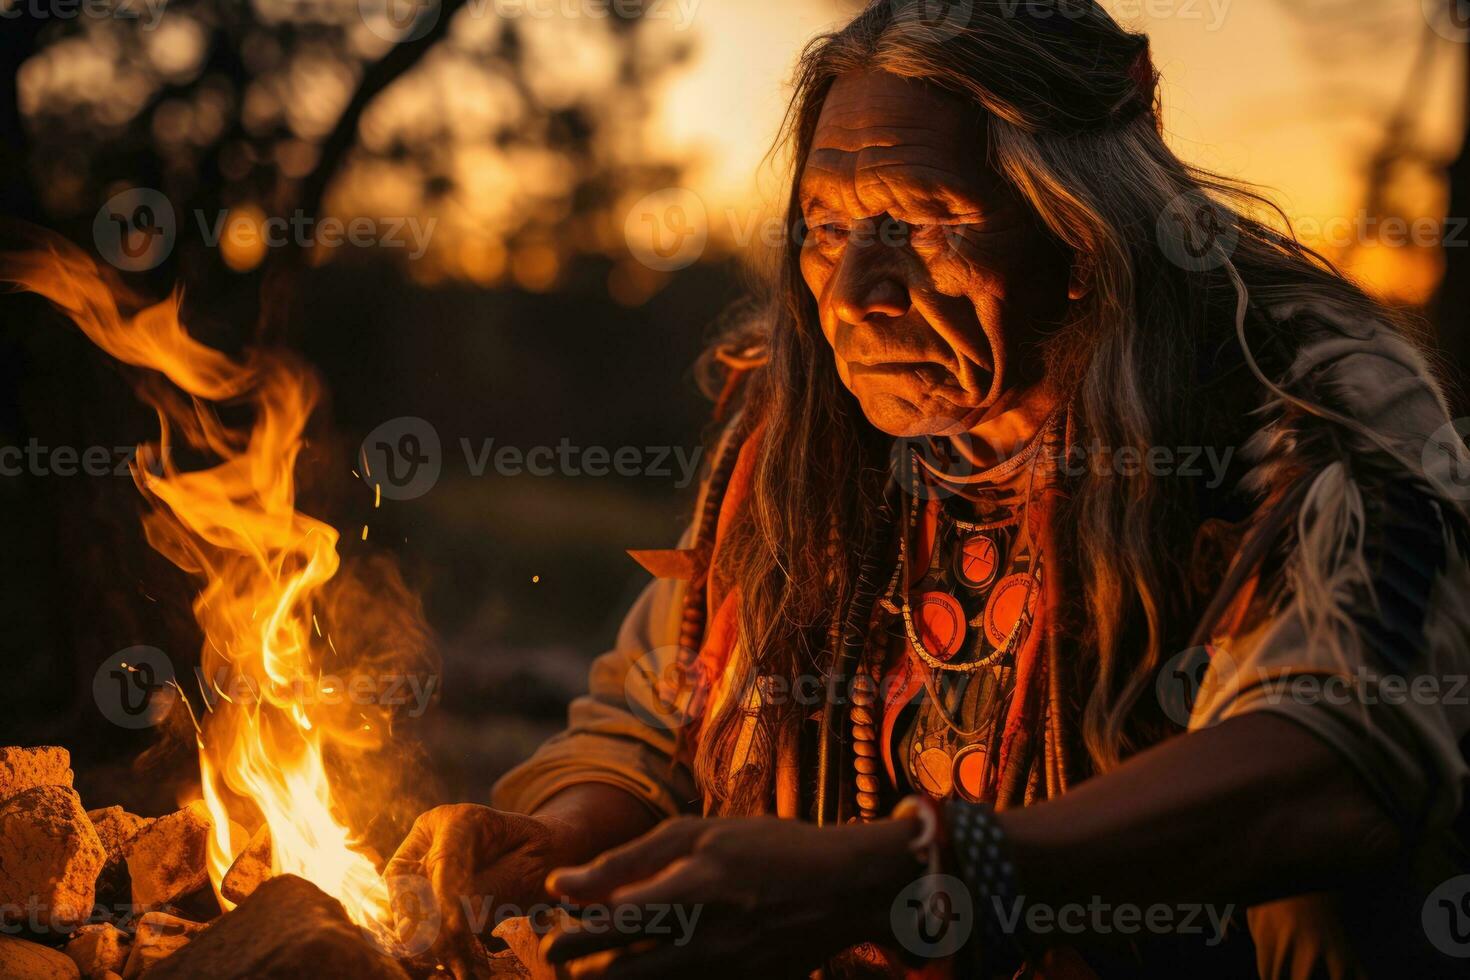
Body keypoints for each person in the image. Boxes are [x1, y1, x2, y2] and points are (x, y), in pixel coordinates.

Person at [386, 2, 1470, 976]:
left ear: (1082, 231)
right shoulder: (804, 443)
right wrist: (570, 838)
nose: (852, 293)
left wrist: (915, 872)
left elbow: (1337, 753)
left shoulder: (1307, 407)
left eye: (922, 223)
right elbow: (661, 706)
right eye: (825, 229)